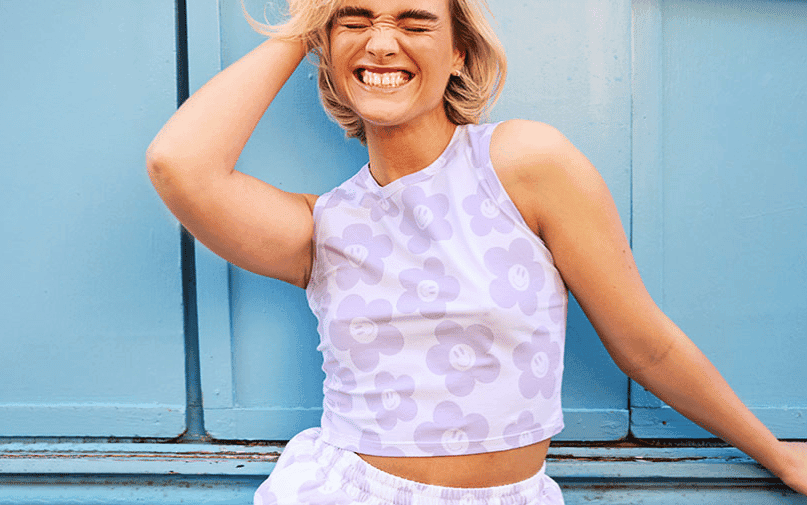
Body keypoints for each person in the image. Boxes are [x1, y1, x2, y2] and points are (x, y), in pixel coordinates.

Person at [146, 0, 807, 503]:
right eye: (355, 20)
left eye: (414, 21)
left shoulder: (524, 163)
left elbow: (646, 344)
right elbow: (181, 164)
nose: (382, 42)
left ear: (460, 50)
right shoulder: (321, 227)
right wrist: (304, 26)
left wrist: (778, 455)